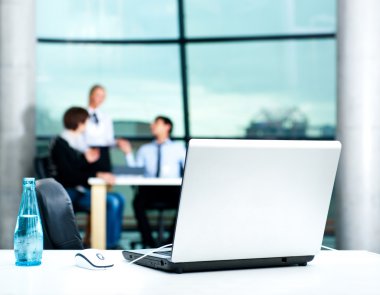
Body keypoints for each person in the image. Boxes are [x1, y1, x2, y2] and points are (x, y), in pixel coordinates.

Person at [50, 107, 125, 249]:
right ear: (79, 122)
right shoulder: (61, 143)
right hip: (69, 192)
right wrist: (95, 173)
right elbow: (69, 175)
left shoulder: (78, 144)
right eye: (86, 122)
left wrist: (87, 160)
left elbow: (79, 169)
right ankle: (107, 247)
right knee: (111, 202)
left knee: (119, 198)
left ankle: (113, 242)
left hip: (80, 189)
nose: (87, 126)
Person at [119, 116, 186, 247]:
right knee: (137, 202)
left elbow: (188, 168)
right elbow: (135, 173)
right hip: (150, 189)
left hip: (171, 190)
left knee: (185, 201)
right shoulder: (145, 149)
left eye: (157, 123)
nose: (152, 125)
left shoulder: (178, 148)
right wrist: (128, 153)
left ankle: (171, 242)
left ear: (168, 127)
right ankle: (148, 242)